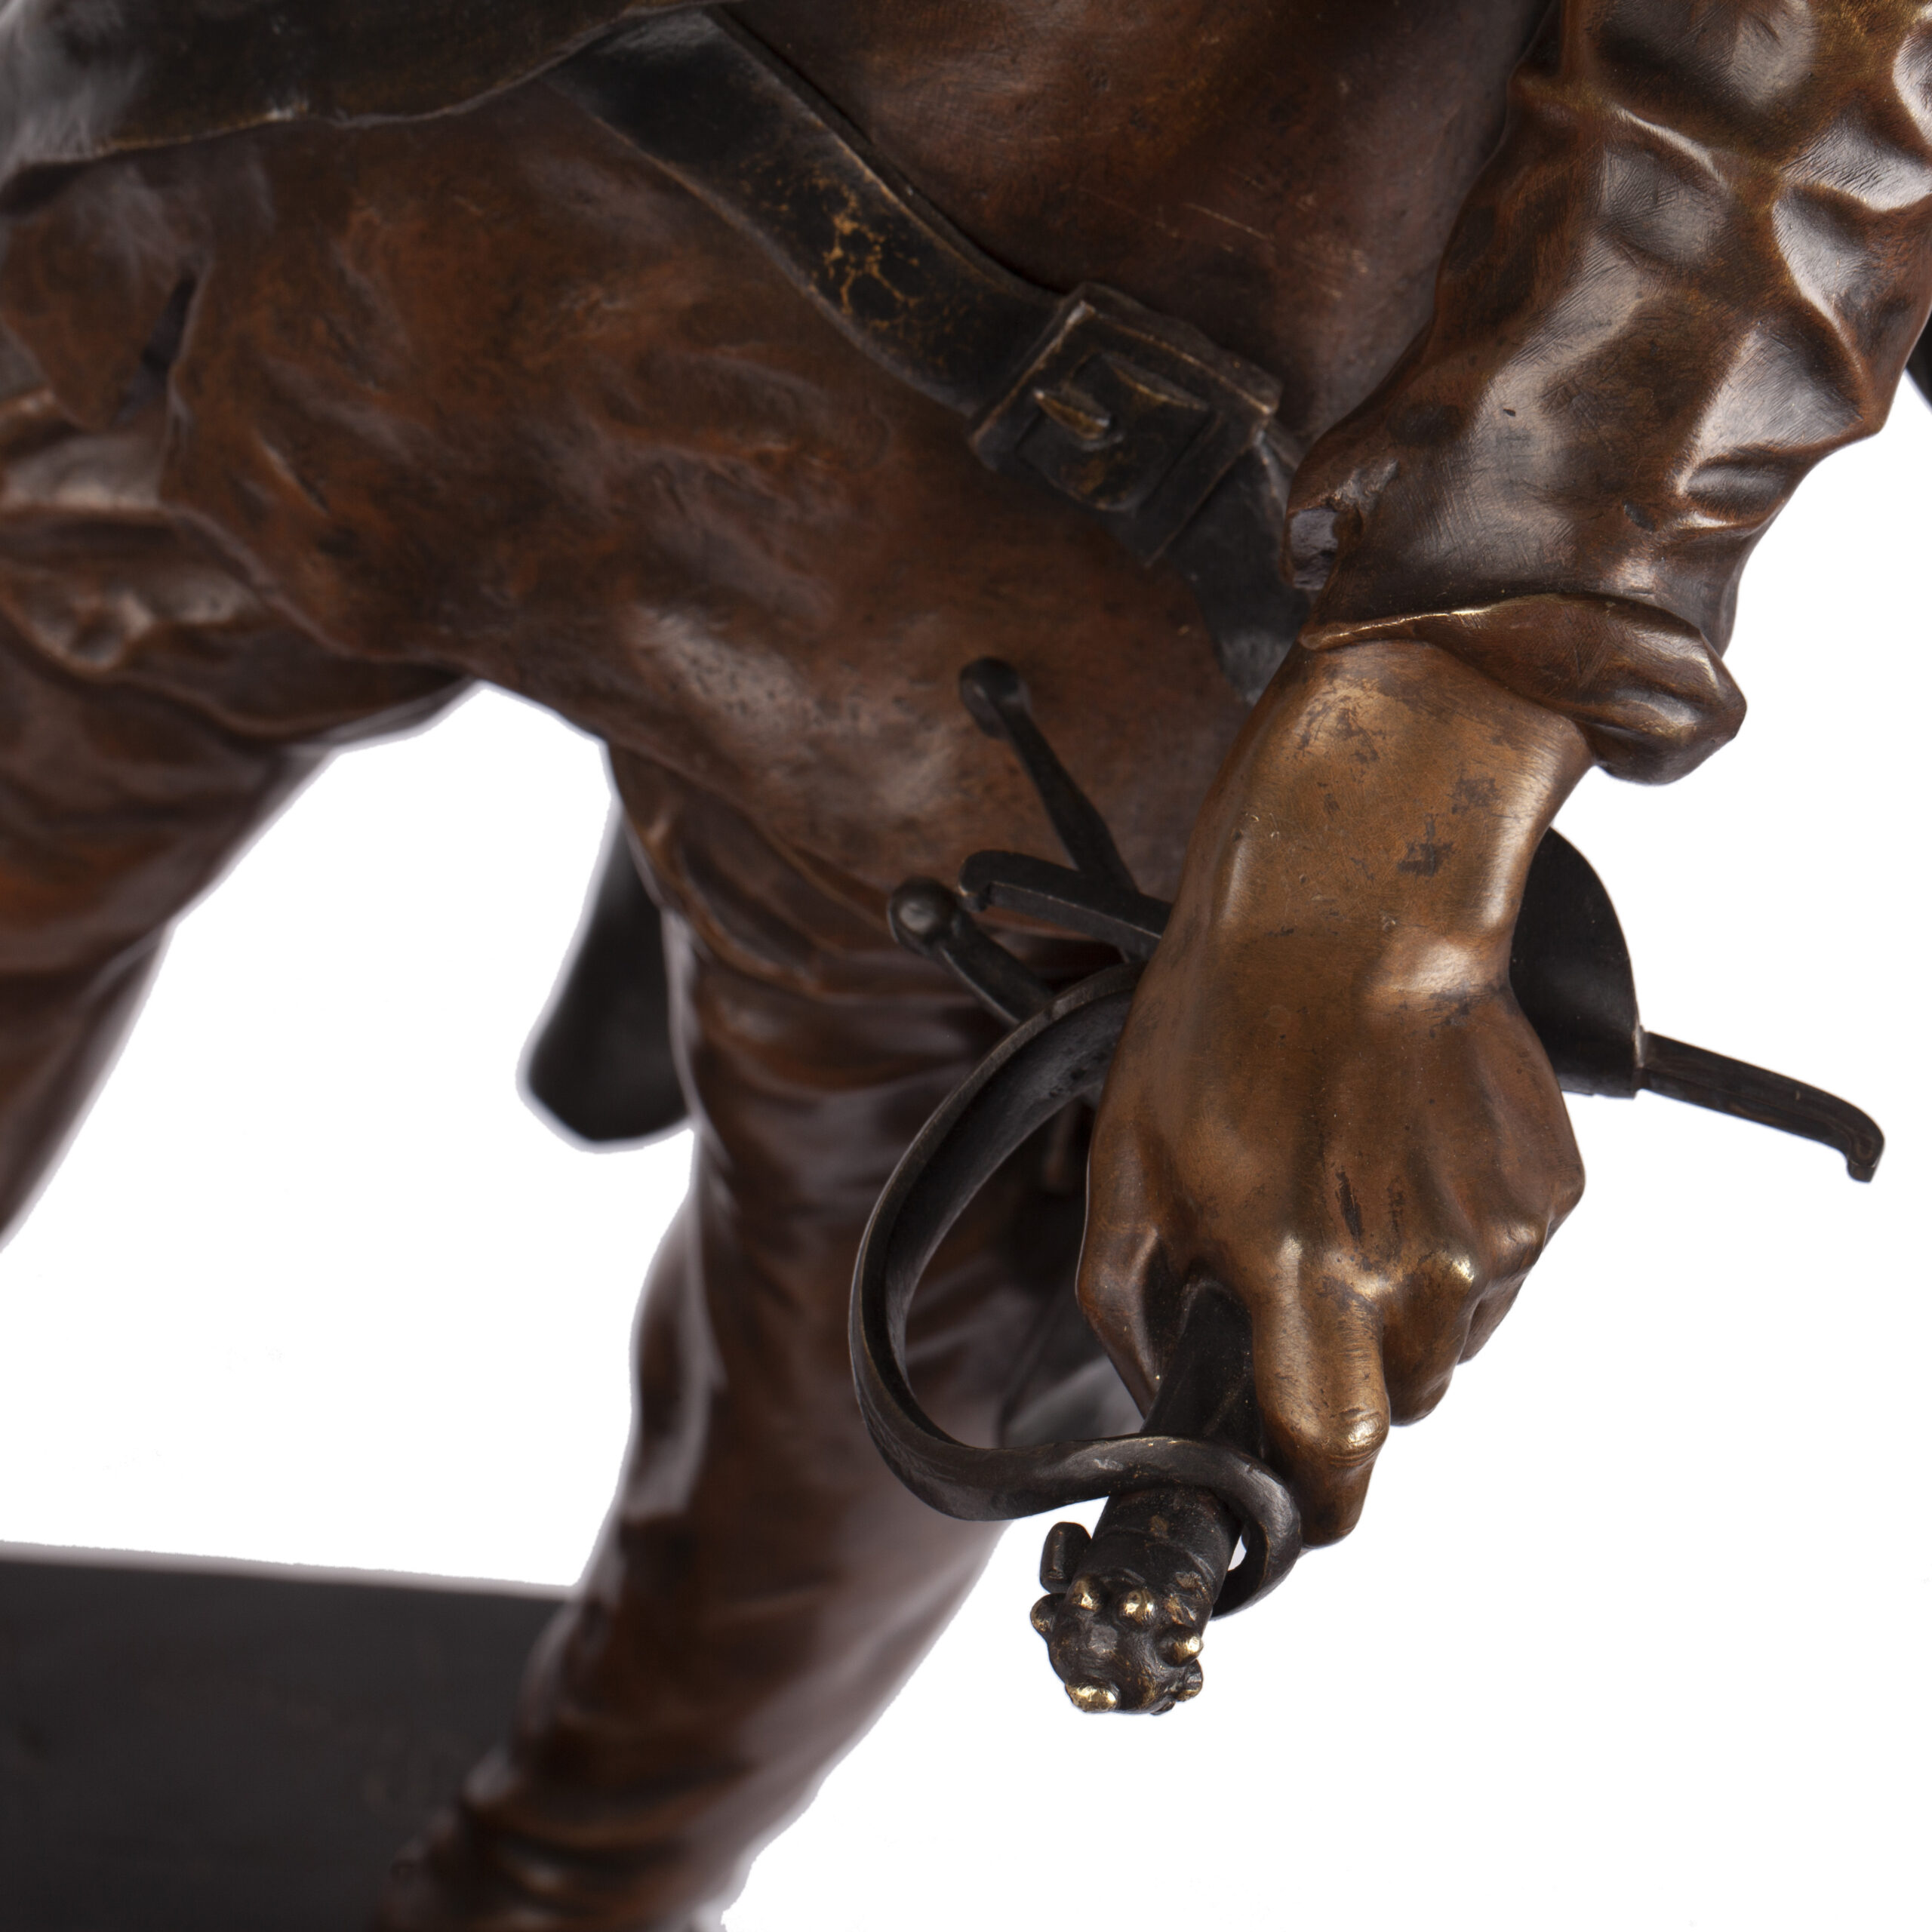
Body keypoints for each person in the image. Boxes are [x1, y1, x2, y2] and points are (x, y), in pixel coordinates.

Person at [0, 3, 1926, 1924]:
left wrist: (1421, 747)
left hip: (1021, 489)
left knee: (879, 1301)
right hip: (256, 219)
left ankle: (568, 1883)